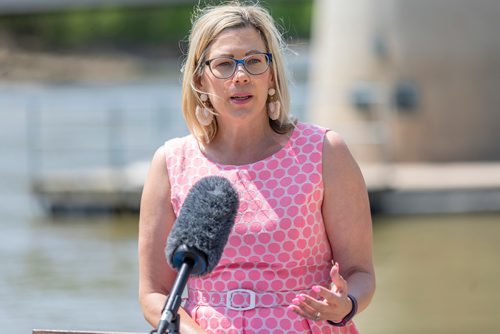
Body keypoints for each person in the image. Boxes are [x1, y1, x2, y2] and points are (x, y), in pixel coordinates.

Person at [138, 1, 375, 333]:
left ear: (272, 75)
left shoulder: (325, 152)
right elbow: (153, 293)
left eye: (253, 62)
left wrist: (344, 305)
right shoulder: (170, 163)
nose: (241, 76)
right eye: (224, 64)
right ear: (200, 80)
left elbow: (360, 273)